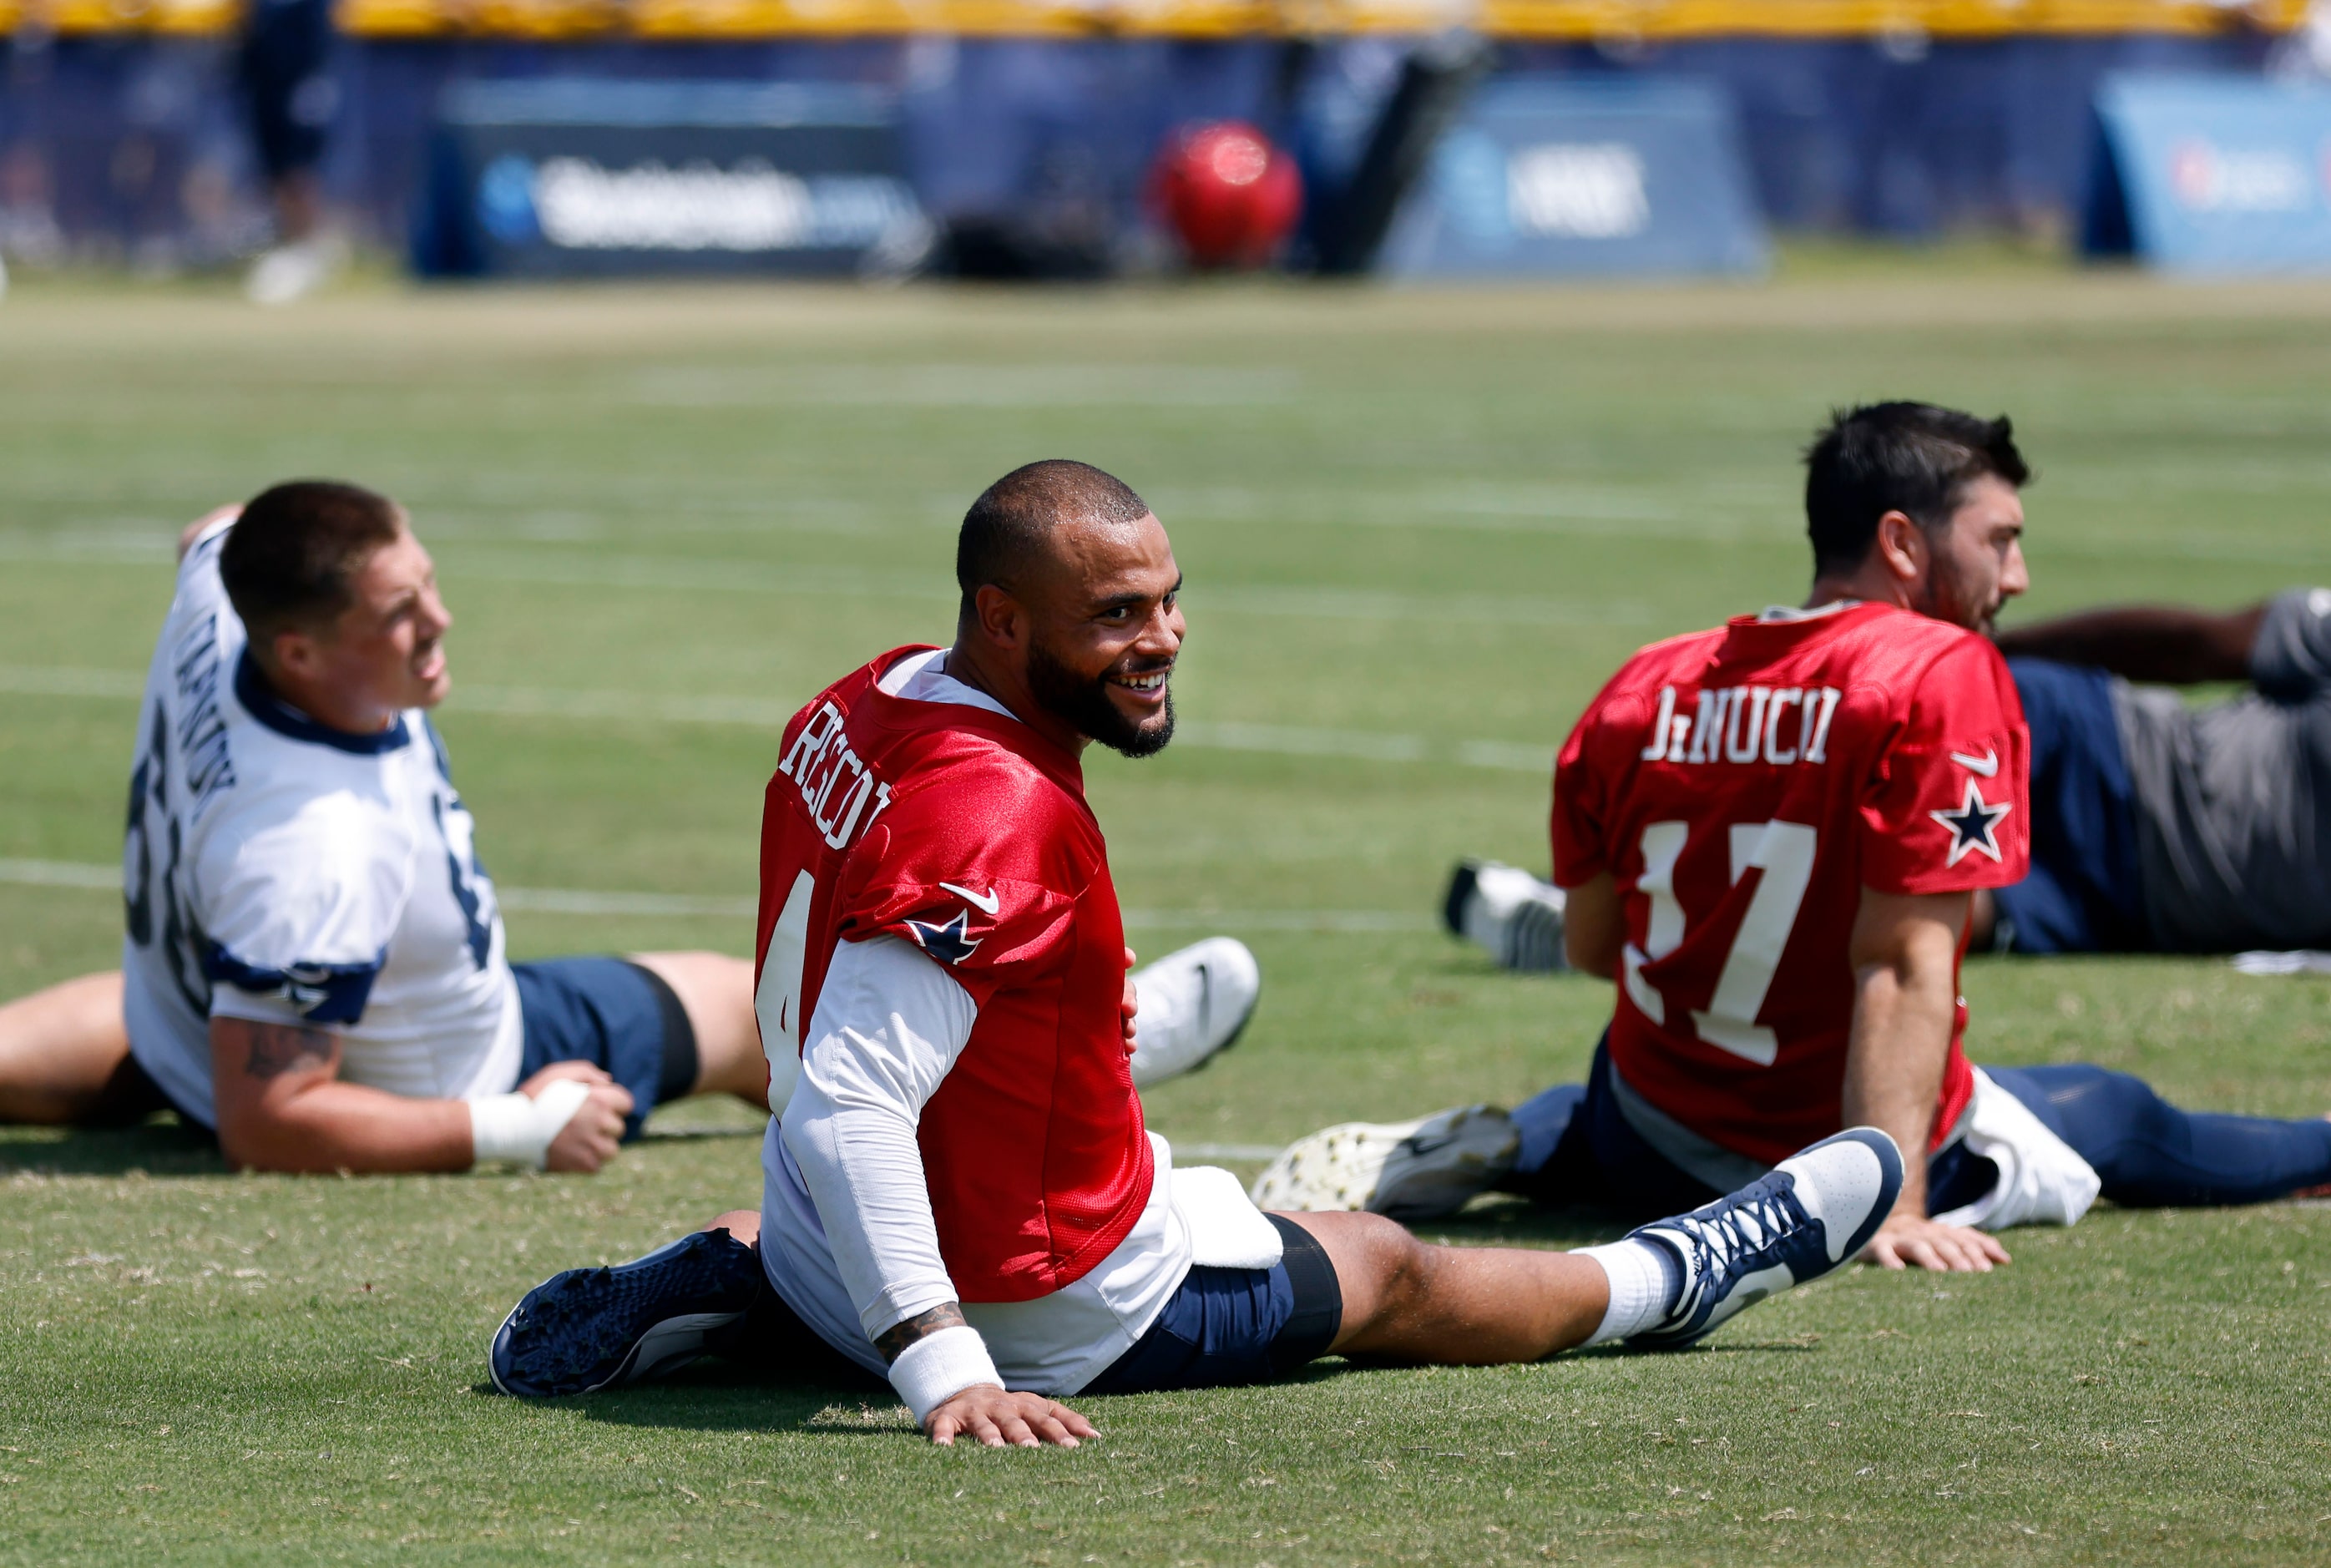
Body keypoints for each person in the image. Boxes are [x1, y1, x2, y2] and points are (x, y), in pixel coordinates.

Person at [487, 458, 1913, 1448]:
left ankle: (754, 1272)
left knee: (923, 1085)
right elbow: (861, 1098)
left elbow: (867, 1006)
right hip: (1041, 1300)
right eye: (1114, 615)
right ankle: (1688, 1268)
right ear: (1000, 618)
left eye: (1168, 598)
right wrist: (946, 1363)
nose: (1162, 638)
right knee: (1385, 1263)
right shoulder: (995, 815)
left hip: (811, 1229)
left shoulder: (872, 692)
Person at [1263, 404, 2331, 1267]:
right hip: (1809, 1163)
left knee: (1635, 1084)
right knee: (2120, 1113)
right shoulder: (1938, 674)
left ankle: (1537, 1134)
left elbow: (1593, 949)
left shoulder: (1643, 680)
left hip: (1644, 1142)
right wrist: (1889, 1200)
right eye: (1998, 542)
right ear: (1901, 543)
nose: (2016, 580)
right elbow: (1904, 960)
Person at [0, 480, 1258, 1174]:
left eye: (425, 582)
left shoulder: (222, 589)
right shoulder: (317, 848)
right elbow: (268, 1119)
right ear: (295, 646)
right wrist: (513, 1125)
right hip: (440, 1055)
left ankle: (1059, 1051)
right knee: (782, 1026)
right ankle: (1074, 1065)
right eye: (398, 617)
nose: (438, 625)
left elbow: (214, 524)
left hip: (173, 1002)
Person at [1446, 588, 2331, 962]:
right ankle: (1604, 903)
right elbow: (2208, 644)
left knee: (1885, 927)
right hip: (2108, 755)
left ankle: (1607, 935)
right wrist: (1986, 651)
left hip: (2129, 906)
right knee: (1824, 727)